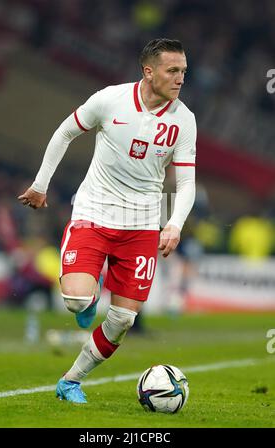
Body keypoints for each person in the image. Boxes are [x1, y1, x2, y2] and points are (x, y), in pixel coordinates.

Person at [18, 38, 197, 404]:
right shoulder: (109, 99)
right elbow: (66, 131)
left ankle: (70, 381)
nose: (180, 79)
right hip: (95, 212)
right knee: (74, 300)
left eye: (183, 71)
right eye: (172, 71)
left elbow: (188, 180)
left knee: (122, 322)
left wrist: (175, 223)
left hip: (143, 225)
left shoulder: (184, 120)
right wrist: (40, 185)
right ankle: (86, 303)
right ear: (149, 72)